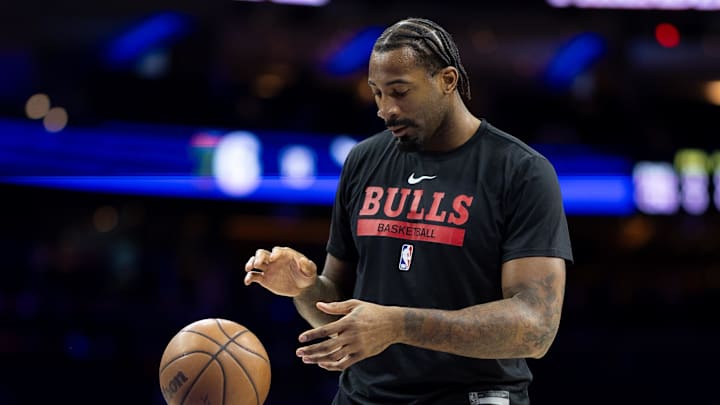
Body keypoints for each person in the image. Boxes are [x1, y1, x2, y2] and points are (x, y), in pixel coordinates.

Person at [244, 17, 573, 405]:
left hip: (471, 396)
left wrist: (398, 325)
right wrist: (304, 289)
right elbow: (338, 314)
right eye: (377, 93)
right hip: (363, 397)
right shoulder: (363, 161)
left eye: (399, 92)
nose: (385, 110)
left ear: (447, 81)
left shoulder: (520, 171)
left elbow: (536, 328)